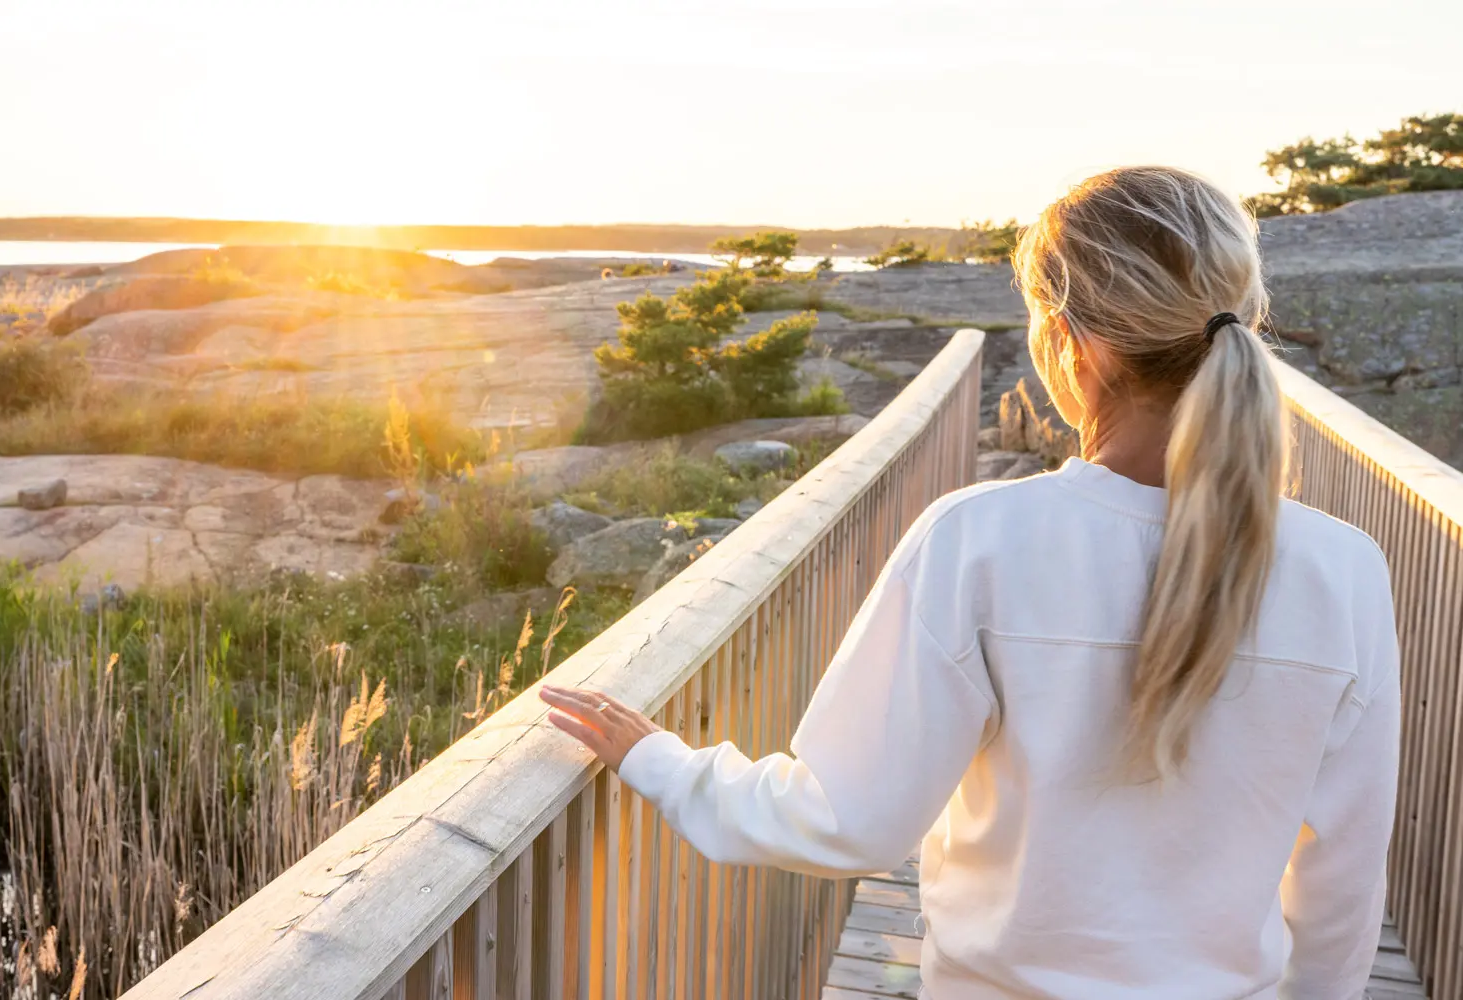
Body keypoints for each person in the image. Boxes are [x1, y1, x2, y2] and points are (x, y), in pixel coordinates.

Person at [542, 166, 1401, 1000]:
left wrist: (661, 761)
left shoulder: (980, 543)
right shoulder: (1345, 570)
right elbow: (1342, 882)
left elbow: (849, 818)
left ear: (1074, 344)